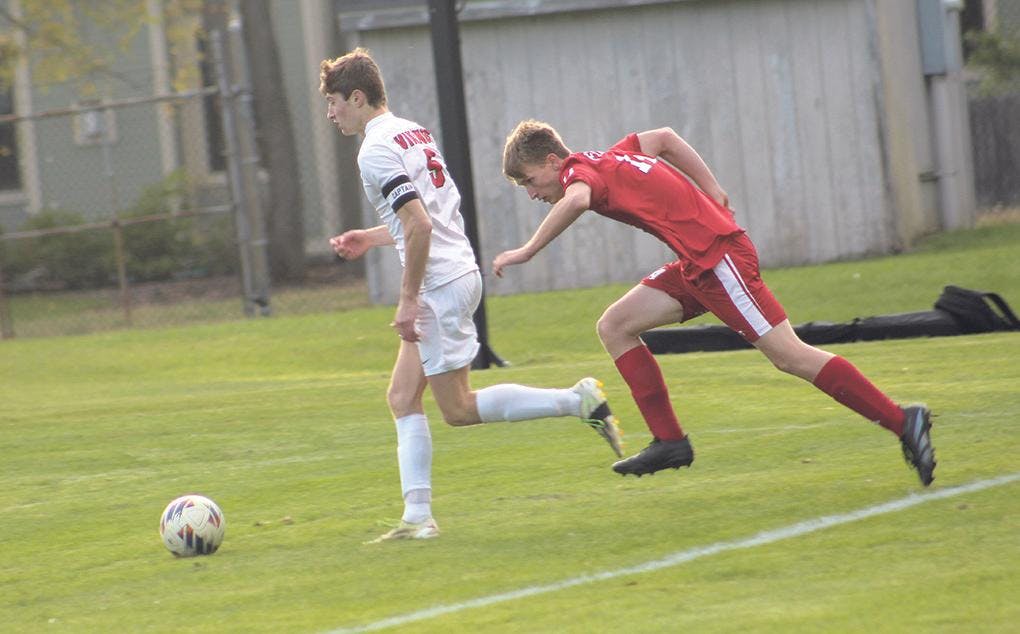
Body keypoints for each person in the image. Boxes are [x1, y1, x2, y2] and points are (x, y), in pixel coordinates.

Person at [494, 120, 936, 486]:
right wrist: (713, 189)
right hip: (697, 264)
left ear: (552, 161)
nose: (532, 193)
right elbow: (664, 138)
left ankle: (903, 420)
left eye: (529, 181)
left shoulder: (578, 174)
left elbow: (578, 198)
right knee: (615, 326)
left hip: (720, 262)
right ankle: (669, 442)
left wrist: (527, 251)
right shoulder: (608, 157)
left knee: (789, 356)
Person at [318, 51, 624, 543]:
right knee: (401, 397)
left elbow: (420, 225)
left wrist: (408, 299)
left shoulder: (373, 150)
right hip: (457, 271)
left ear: (357, 97)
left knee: (458, 409)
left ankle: (576, 400)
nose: (331, 113)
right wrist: (371, 238)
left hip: (438, 284)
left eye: (334, 102)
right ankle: (417, 517)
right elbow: (423, 217)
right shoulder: (412, 132)